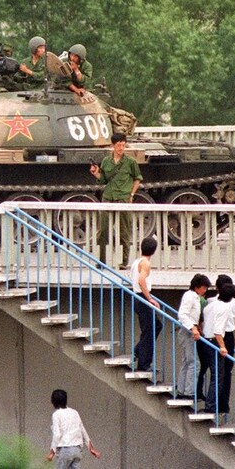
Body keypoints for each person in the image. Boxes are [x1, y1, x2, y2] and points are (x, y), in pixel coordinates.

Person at [89, 133, 143, 268]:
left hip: (123, 198)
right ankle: (101, 261)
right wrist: (96, 173)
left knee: (124, 231)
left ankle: (124, 262)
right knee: (103, 231)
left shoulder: (130, 162)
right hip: (108, 197)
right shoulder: (107, 161)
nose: (121, 148)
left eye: (123, 145)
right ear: (112, 145)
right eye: (118, 145)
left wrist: (131, 194)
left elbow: (138, 178)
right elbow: (104, 180)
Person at [201, 282, 235, 415]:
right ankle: (211, 406)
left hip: (206, 339)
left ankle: (211, 404)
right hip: (214, 342)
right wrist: (223, 347)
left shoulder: (211, 305)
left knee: (214, 374)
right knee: (218, 376)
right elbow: (218, 331)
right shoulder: (224, 308)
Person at [176, 273, 211, 399]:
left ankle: (181, 390)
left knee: (187, 361)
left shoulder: (195, 297)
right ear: (197, 287)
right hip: (187, 331)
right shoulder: (190, 296)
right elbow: (182, 314)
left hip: (191, 329)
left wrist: (197, 327)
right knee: (193, 363)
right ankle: (189, 392)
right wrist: (193, 328)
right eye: (204, 288)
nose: (205, 290)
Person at [130, 236, 162, 373]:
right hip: (142, 297)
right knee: (150, 330)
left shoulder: (137, 261)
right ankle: (144, 363)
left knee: (154, 326)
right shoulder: (145, 263)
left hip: (138, 297)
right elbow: (141, 281)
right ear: (154, 250)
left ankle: (138, 350)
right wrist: (149, 298)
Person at [48, 388, 101, 467]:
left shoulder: (56, 414)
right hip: (77, 450)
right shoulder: (74, 412)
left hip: (65, 450)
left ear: (53, 401)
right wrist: (91, 448)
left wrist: (52, 451)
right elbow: (83, 430)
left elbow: (57, 435)